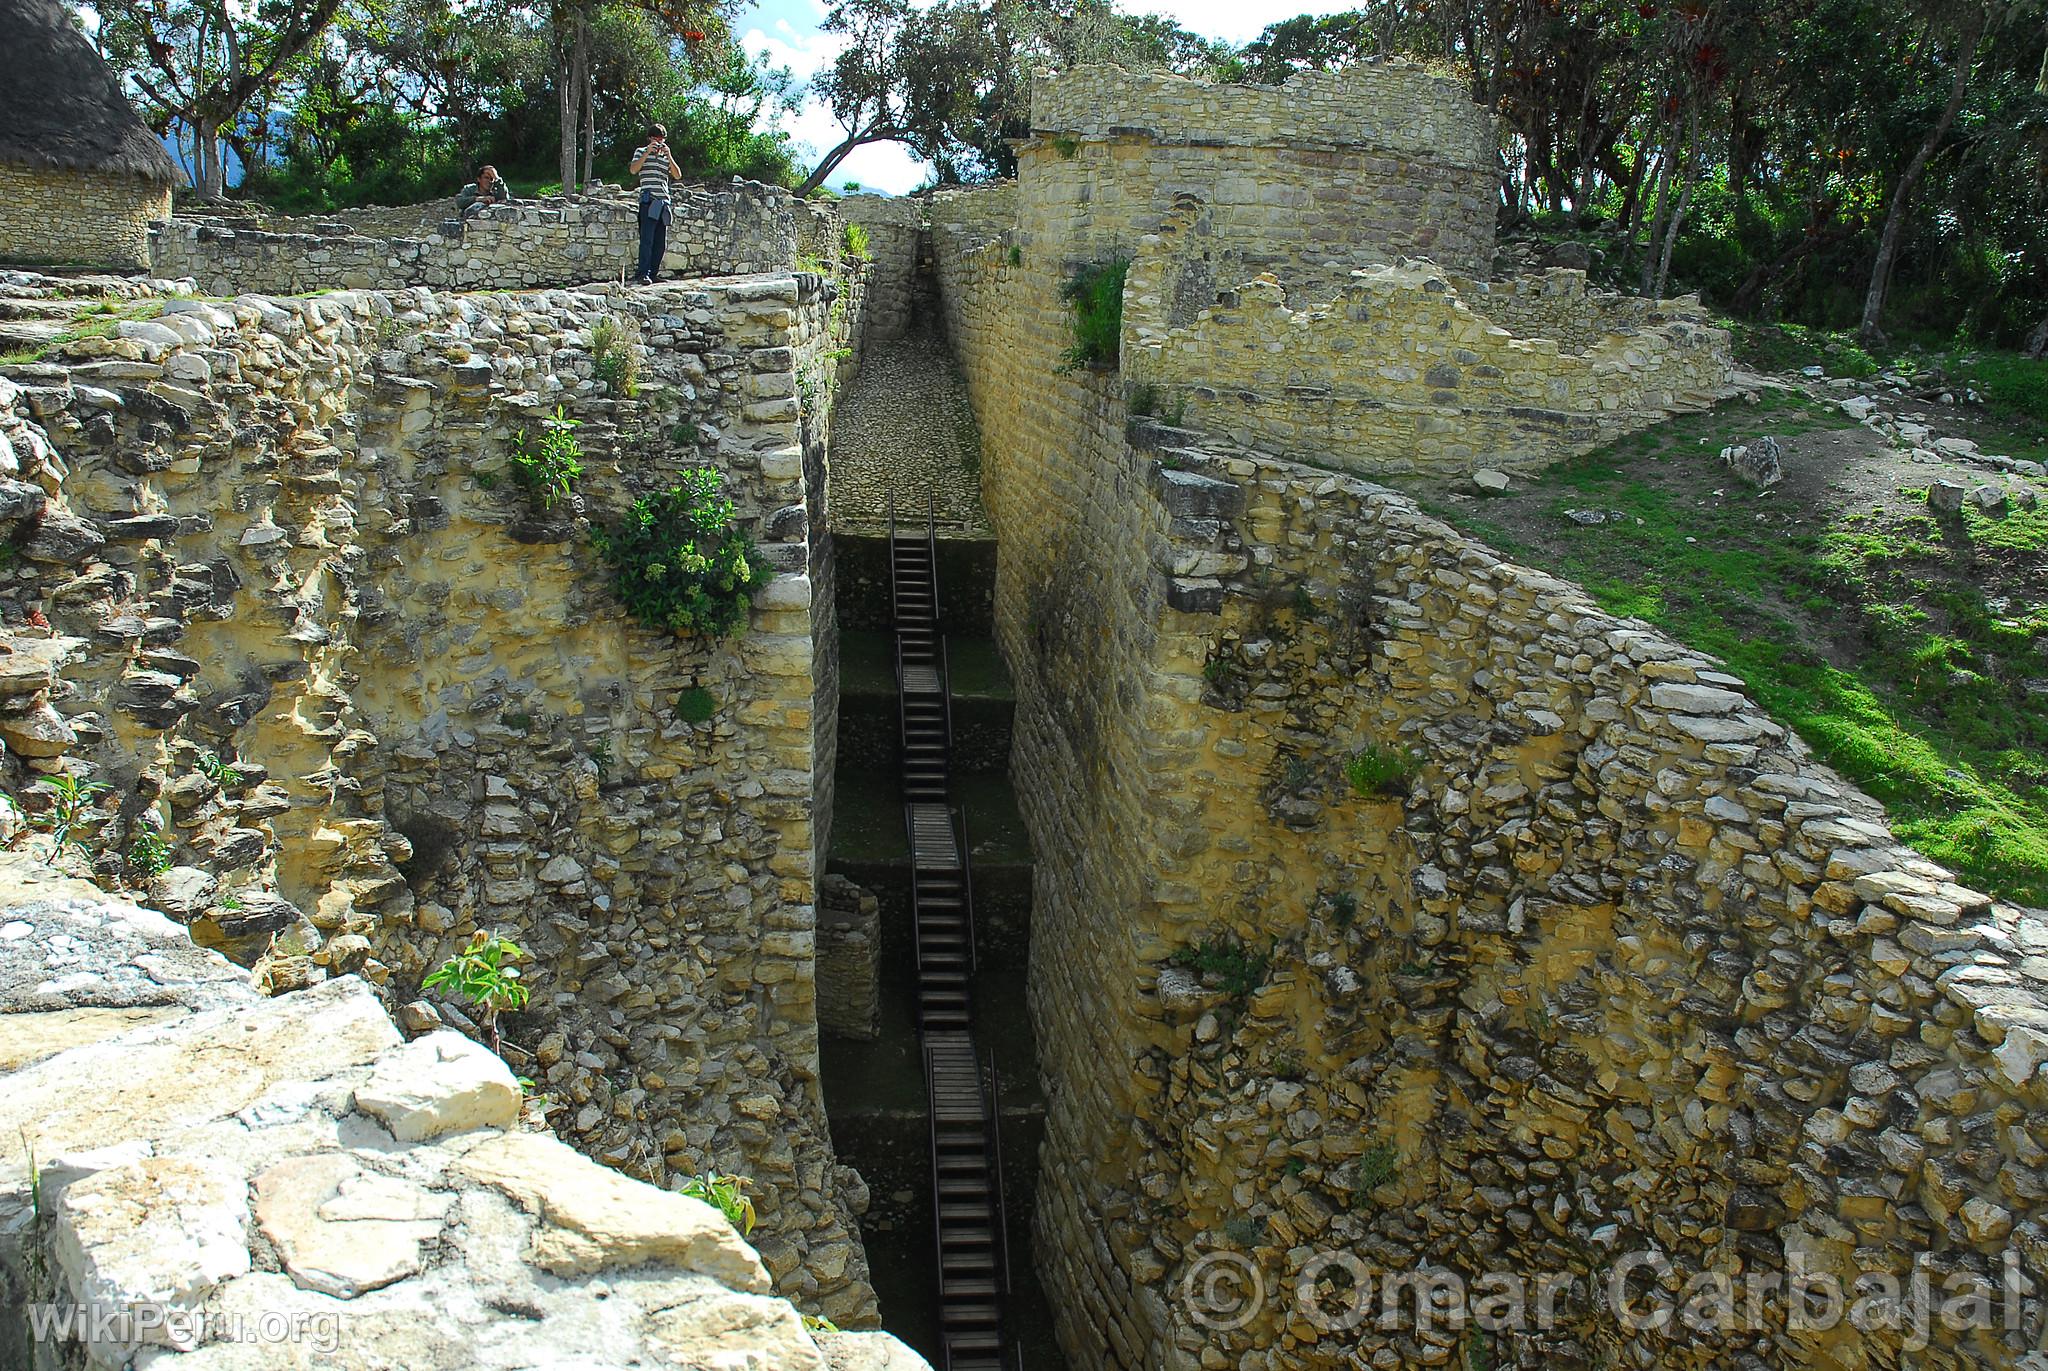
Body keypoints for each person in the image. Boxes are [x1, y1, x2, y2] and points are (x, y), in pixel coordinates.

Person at [629, 125, 682, 285]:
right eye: (657, 139)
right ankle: (642, 273)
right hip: (649, 201)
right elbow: (633, 170)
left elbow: (678, 175)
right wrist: (647, 153)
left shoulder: (666, 157)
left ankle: (653, 273)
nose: (659, 142)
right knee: (647, 240)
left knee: (660, 242)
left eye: (662, 140)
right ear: (650, 139)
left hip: (663, 203)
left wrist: (669, 155)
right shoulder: (640, 152)